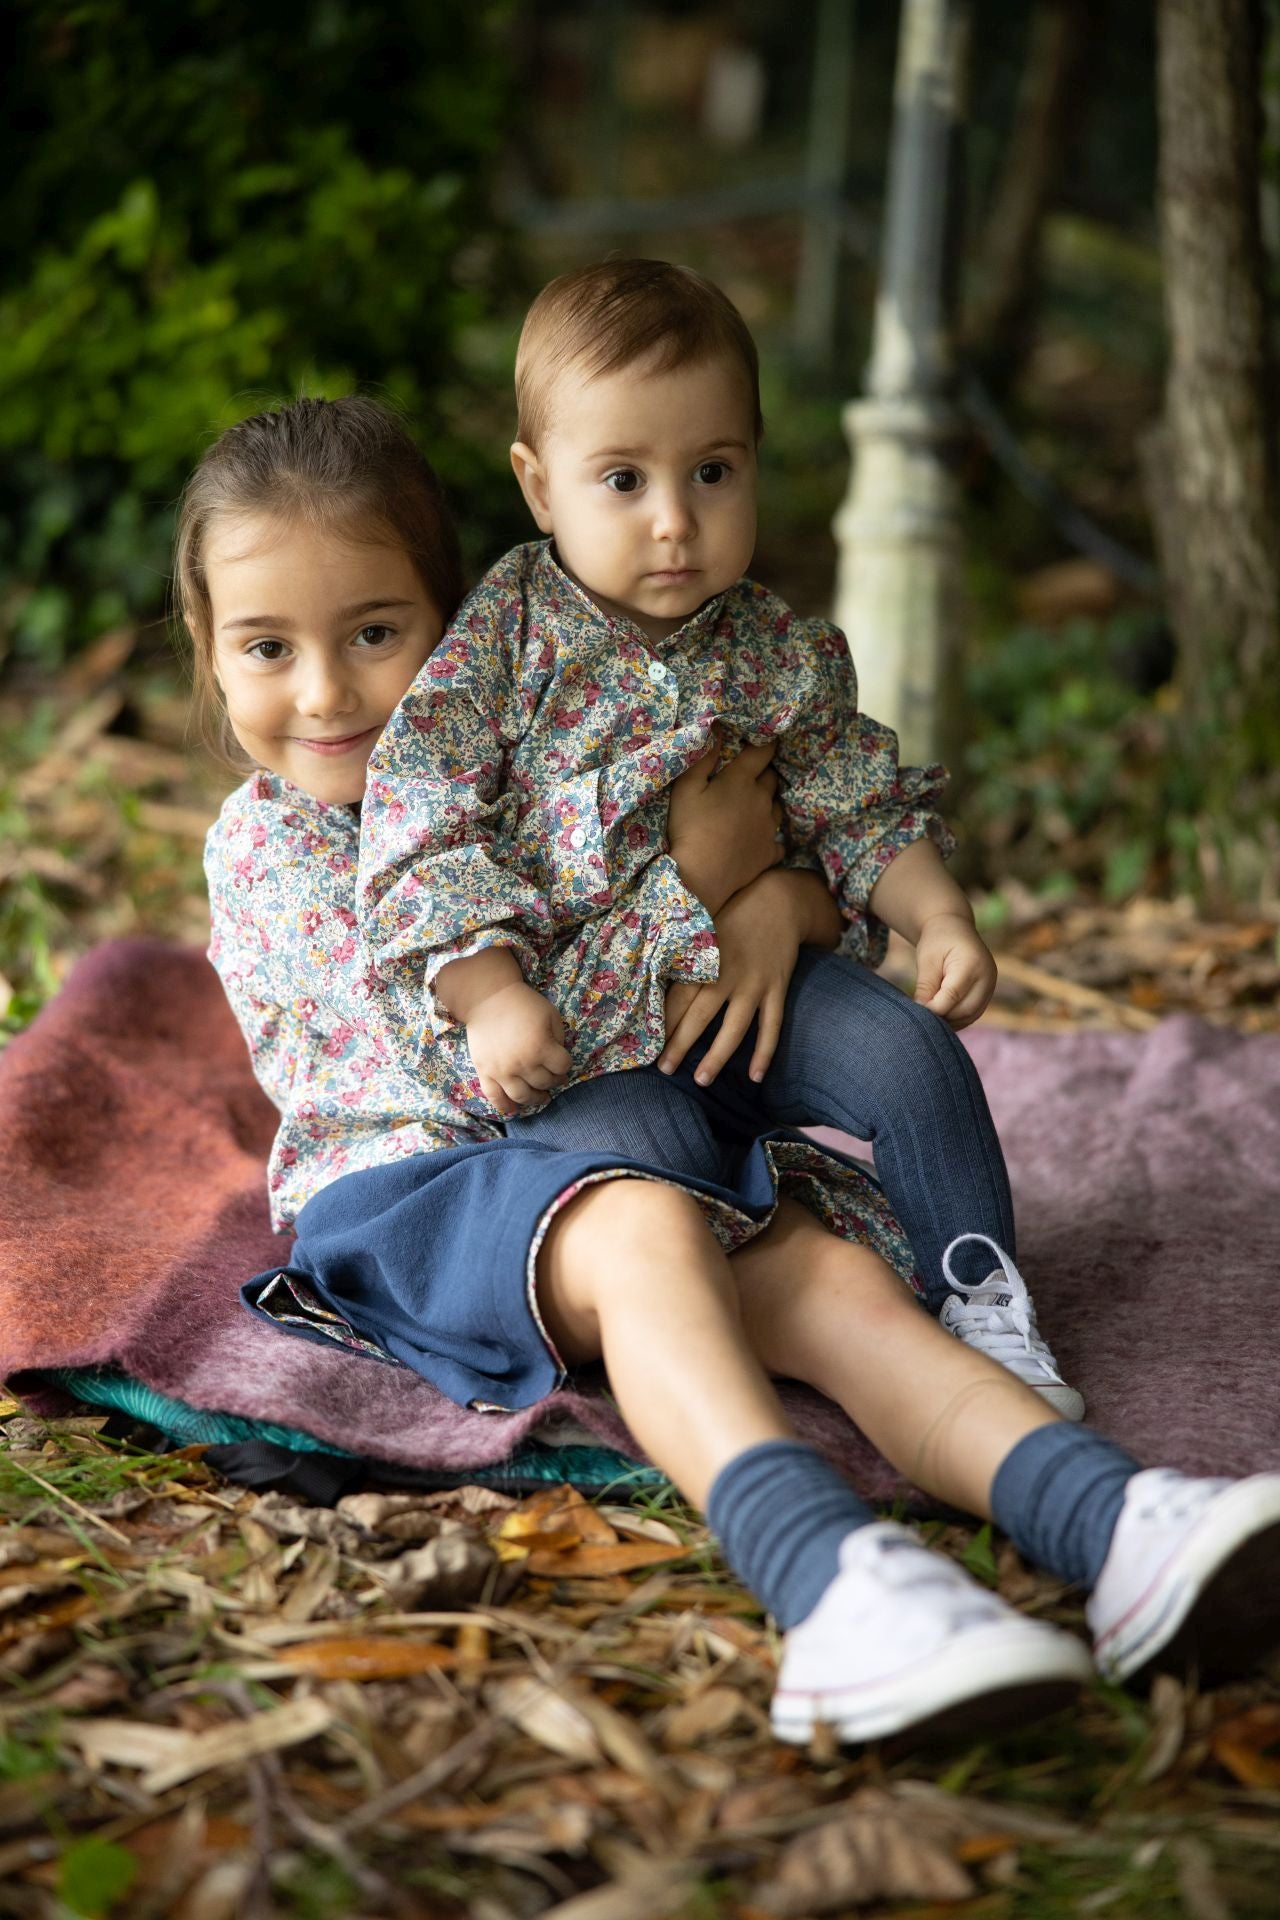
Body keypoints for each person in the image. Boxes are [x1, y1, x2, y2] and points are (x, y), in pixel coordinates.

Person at [185, 395, 1280, 1749]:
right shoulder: (268, 852)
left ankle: (1110, 1519)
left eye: (373, 634)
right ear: (209, 657)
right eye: (267, 648)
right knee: (644, 1214)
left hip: (619, 1151)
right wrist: (711, 884)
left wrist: (782, 902)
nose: (327, 692)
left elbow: (767, 849)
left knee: (835, 1279)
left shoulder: (507, 761)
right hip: (420, 1193)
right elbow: (482, 1076)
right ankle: (833, 1587)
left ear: (455, 629)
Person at [355, 258, 1081, 1418]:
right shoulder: (505, 643)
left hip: (758, 997)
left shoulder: (774, 649)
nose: (673, 521)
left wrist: (934, 911)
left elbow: (854, 797)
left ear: (752, 459)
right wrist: (491, 993)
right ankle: (745, 1323)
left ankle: (976, 1301)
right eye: (623, 479)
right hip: (585, 1037)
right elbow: (421, 810)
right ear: (539, 488)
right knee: (644, 1157)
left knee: (913, 1058)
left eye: (710, 472)